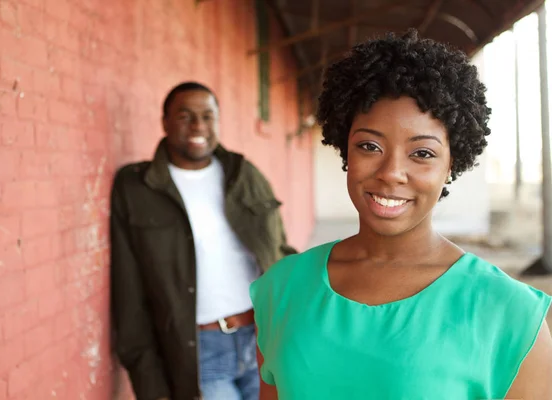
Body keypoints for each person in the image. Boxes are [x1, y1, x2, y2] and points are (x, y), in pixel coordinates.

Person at [250, 30, 552, 400]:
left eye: (422, 153)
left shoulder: (509, 312)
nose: (391, 172)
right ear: (346, 149)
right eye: (369, 146)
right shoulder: (281, 289)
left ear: (450, 165)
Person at [110, 81, 296, 400]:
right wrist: (151, 386)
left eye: (208, 116)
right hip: (201, 354)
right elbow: (129, 295)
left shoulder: (243, 173)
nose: (198, 126)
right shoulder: (137, 188)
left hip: (264, 339)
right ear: (165, 122)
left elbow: (280, 251)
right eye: (185, 116)